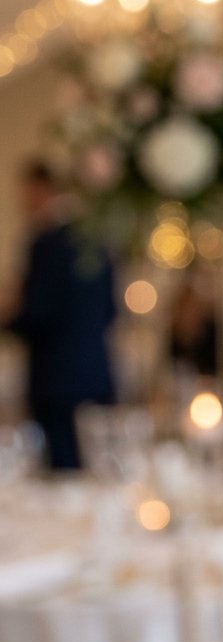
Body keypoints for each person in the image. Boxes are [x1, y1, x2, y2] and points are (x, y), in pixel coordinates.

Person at [4, 160, 117, 470]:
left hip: (54, 379)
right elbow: (111, 311)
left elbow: (37, 314)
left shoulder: (44, 243)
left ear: (42, 190)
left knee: (62, 473)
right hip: (96, 372)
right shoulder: (97, 236)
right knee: (99, 465)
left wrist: (8, 316)